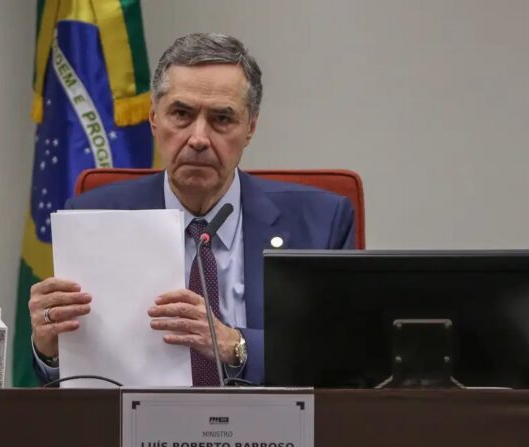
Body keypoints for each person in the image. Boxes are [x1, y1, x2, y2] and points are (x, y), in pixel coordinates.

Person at [28, 33, 355, 386]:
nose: (199, 138)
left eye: (221, 119)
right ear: (154, 119)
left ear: (250, 128)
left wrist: (236, 345)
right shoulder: (93, 219)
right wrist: (49, 349)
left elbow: (343, 357)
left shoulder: (321, 223)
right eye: (181, 114)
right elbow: (77, 380)